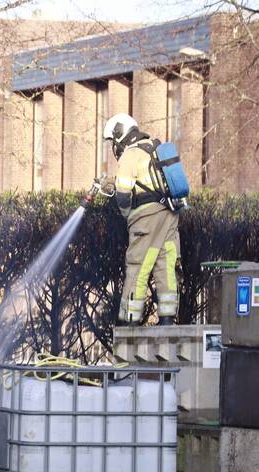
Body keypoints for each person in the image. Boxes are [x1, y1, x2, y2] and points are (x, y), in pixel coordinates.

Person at [98, 113, 180, 326]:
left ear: (120, 133)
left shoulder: (130, 155)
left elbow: (124, 194)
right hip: (169, 214)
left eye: (112, 141)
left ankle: (131, 320)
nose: (113, 146)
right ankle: (168, 318)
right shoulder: (154, 149)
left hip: (146, 218)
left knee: (138, 265)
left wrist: (127, 216)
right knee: (165, 263)